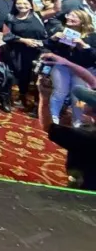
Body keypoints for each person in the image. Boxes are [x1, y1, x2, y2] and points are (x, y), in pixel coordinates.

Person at [37, 52, 96, 190]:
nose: (82, 101)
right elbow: (92, 80)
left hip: (87, 189)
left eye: (87, 100)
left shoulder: (85, 135)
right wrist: (65, 62)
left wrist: (44, 97)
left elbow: (48, 126)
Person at [47, 9, 96, 126]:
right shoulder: (61, 31)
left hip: (82, 70)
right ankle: (53, 117)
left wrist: (83, 45)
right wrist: (53, 39)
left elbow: (94, 55)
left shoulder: (92, 36)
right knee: (59, 92)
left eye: (73, 16)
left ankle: (77, 120)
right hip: (62, 67)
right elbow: (48, 47)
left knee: (78, 98)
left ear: (82, 21)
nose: (69, 18)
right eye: (68, 15)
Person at [4, 0, 48, 115]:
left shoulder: (38, 15)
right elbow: (7, 36)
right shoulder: (10, 18)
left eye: (25, 3)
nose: (22, 5)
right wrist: (24, 40)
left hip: (38, 51)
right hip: (19, 51)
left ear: (31, 5)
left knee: (38, 76)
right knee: (22, 75)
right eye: (19, 3)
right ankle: (22, 96)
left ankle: (38, 103)